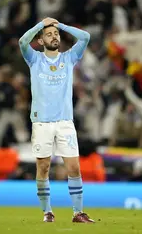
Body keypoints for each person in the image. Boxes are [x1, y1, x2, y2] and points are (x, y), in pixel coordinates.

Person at [18, 17, 94, 223]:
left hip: (65, 123)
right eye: (49, 34)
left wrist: (60, 25)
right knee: (43, 167)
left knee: (74, 167)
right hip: (42, 123)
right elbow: (22, 42)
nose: (54, 36)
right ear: (41, 41)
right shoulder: (34, 59)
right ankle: (47, 212)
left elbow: (85, 37)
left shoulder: (69, 58)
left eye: (56, 34)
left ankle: (78, 213)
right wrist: (40, 26)